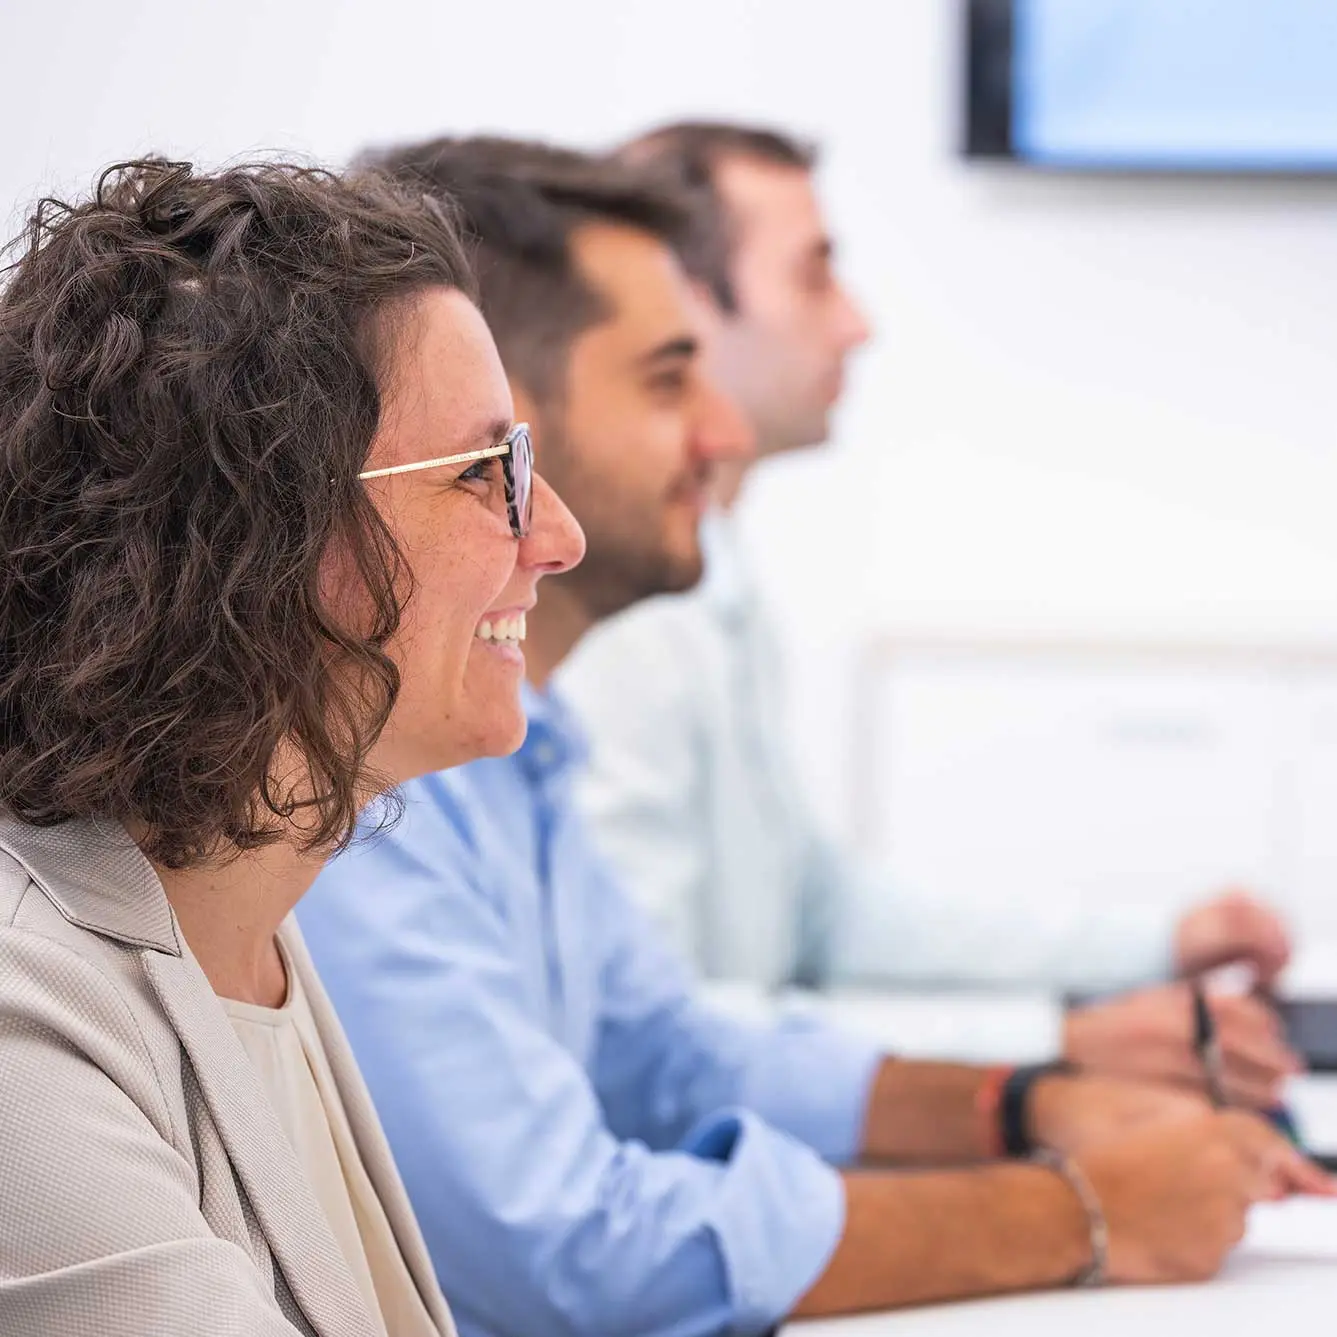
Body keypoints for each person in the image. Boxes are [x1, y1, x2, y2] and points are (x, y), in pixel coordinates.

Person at [298, 136, 1331, 1337]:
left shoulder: (522, 740)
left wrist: (1022, 1100)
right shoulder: (373, 779)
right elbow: (561, 1243)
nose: (724, 435)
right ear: (507, 428)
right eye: (669, 378)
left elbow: (670, 1050)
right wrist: (1077, 1208)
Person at [557, 120, 1299, 1101]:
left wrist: (1152, 945)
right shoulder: (619, 625)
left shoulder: (716, 578)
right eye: (813, 275)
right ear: (683, 305)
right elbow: (650, 1038)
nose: (855, 323)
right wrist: (1057, 1043)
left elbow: (821, 915)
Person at [0, 157, 583, 1337]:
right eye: (487, 474)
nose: (556, 536)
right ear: (255, 530)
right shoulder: (24, 1025)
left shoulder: (247, 921)